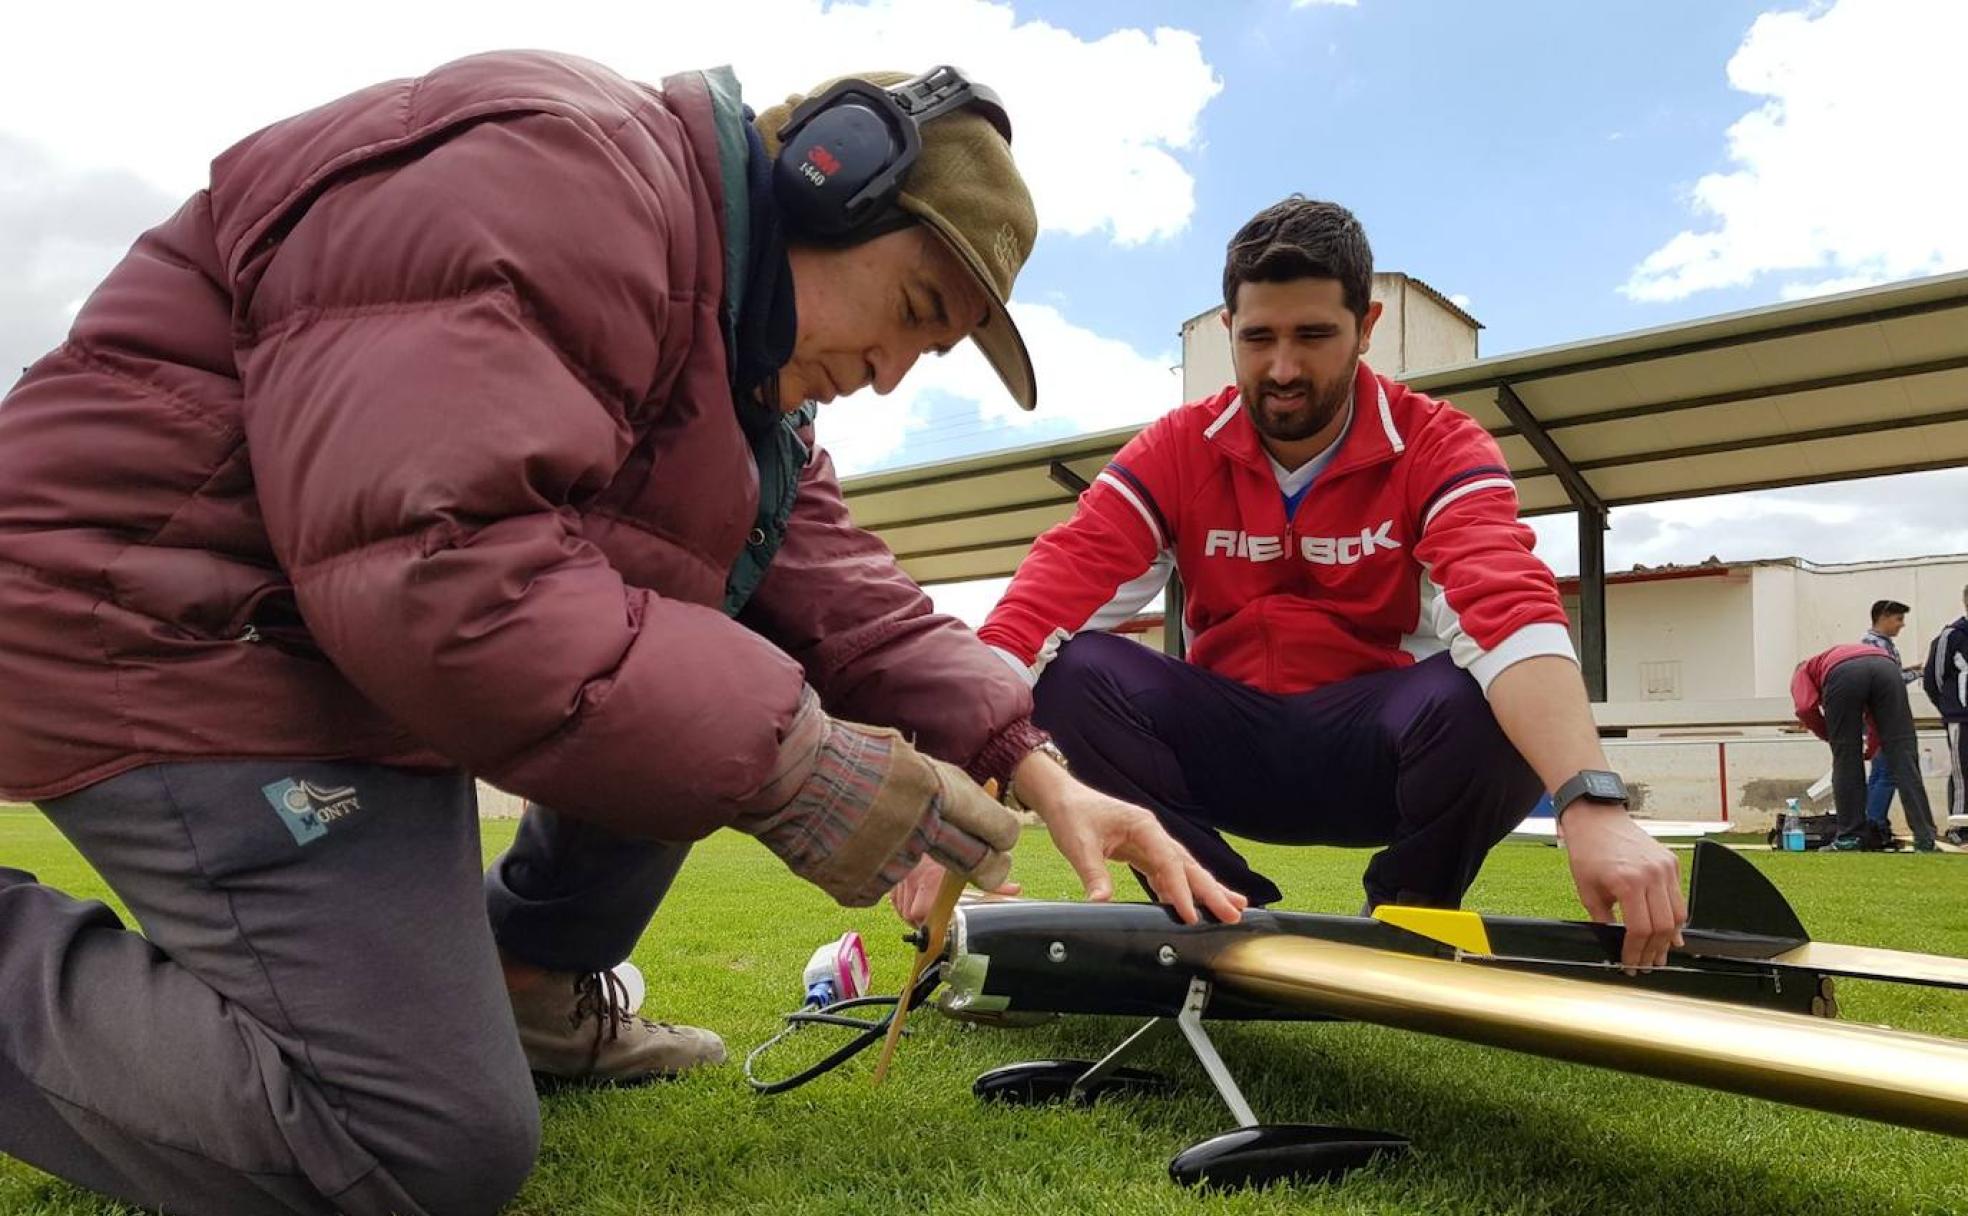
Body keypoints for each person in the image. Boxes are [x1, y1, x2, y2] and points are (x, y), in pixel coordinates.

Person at [0, 52, 1241, 1216]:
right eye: (918, 307)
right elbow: (441, 567)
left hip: (314, 665)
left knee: (694, 658)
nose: (894, 376)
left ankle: (532, 987)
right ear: (830, 179)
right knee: (419, 1139)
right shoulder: (560, 177)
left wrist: (1034, 762)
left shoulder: (744, 396)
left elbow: (855, 607)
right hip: (154, 630)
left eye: (935, 350)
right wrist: (804, 766)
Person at [914, 197, 1684, 967]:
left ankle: (1407, 922)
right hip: (1226, 748)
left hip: (1377, 753)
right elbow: (1037, 606)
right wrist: (947, 795)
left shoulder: (1439, 444)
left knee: (1488, 696)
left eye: (1313, 336)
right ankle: (1207, 907)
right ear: (1229, 331)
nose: (1283, 369)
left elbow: (1507, 609)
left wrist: (1592, 801)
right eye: (1259, 338)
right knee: (1073, 671)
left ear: (1367, 327)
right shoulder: (1177, 449)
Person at [1793, 642, 1940, 852]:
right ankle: (1925, 838)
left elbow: (1805, 708)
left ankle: (1849, 838)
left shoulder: (1802, 671)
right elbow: (1874, 715)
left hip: (1843, 673)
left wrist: (1831, 736)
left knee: (1846, 760)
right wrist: (1872, 747)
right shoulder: (1839, 655)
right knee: (1903, 754)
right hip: (1887, 667)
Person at [1858, 598, 1921, 846]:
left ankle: (1870, 823)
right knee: (1888, 774)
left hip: (1876, 718)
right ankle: (1875, 826)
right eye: (1898, 619)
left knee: (1878, 775)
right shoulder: (1875, 645)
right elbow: (1890, 679)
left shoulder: (1879, 644)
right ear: (1883, 617)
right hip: (1884, 719)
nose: (1901, 625)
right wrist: (1918, 672)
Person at [1923, 585, 1968, 840]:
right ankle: (1960, 827)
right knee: (1963, 770)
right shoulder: (1951, 636)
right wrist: (1951, 708)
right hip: (1961, 718)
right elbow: (1934, 679)